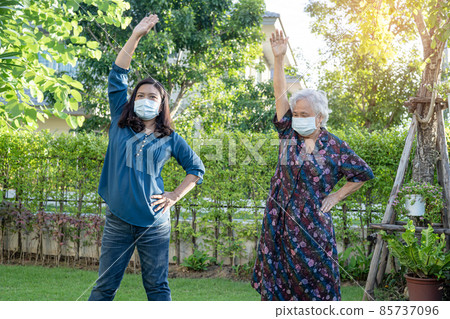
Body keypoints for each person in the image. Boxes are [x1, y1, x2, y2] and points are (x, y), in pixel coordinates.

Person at [251, 30, 375, 301]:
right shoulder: (289, 135)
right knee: (279, 285)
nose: (297, 119)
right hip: (280, 222)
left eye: (303, 115)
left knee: (318, 285)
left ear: (319, 118)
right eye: (295, 114)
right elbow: (279, 94)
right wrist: (279, 58)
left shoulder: (335, 146)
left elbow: (362, 174)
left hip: (312, 226)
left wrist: (336, 195)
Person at [89, 13, 205, 301]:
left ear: (161, 104)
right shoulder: (120, 121)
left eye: (153, 97)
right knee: (104, 288)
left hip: (155, 224)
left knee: (157, 288)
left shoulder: (171, 138)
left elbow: (196, 168)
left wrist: (174, 196)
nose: (146, 100)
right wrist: (136, 35)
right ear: (132, 99)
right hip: (118, 221)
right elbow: (117, 76)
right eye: (141, 95)